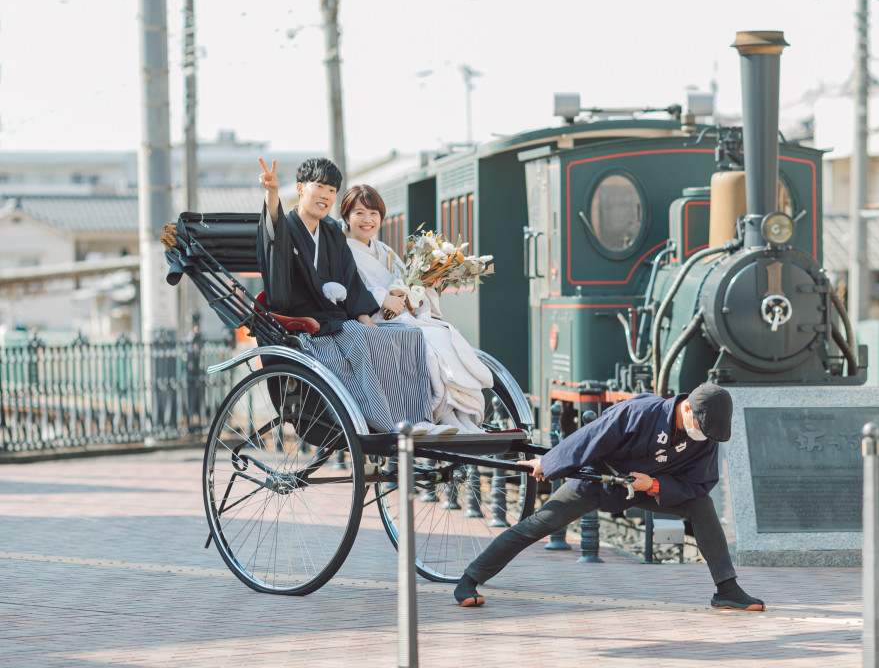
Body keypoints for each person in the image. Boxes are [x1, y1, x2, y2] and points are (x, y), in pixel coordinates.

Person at [453, 383, 765, 611]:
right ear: (686, 407)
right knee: (537, 525)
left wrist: (653, 485)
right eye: (699, 426)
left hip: (645, 488)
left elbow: (699, 483)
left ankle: (727, 589)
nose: (703, 435)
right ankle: (469, 580)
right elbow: (588, 438)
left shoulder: (705, 433)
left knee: (702, 506)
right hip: (597, 481)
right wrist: (547, 465)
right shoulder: (640, 412)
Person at [256, 156, 448, 435]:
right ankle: (389, 425)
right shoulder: (285, 228)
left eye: (332, 190)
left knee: (406, 337)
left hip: (339, 322)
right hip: (308, 329)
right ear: (300, 188)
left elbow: (350, 279)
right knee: (360, 339)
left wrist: (364, 317)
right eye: (319, 186)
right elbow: (273, 233)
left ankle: (420, 420)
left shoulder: (332, 232)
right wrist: (272, 194)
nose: (326, 195)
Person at [340, 184, 493, 433]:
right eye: (359, 213)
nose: (367, 220)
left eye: (373, 213)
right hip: (375, 320)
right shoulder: (343, 251)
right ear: (346, 217)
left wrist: (423, 288)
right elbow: (351, 288)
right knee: (427, 344)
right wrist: (382, 298)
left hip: (401, 317)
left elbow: (408, 286)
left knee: (446, 334)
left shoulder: (386, 251)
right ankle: (440, 413)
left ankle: (459, 414)